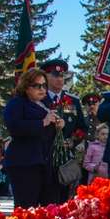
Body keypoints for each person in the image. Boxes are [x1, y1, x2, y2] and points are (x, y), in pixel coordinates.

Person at [1, 68, 64, 208]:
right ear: (26, 87)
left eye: (44, 85)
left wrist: (58, 126)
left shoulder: (45, 106)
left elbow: (47, 133)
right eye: (37, 86)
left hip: (46, 163)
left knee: (51, 207)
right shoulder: (17, 102)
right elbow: (13, 126)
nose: (42, 89)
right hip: (25, 161)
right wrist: (43, 122)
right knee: (27, 208)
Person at [40, 59, 86, 203]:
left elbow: (82, 128)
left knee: (63, 201)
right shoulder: (39, 99)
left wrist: (73, 141)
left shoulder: (73, 101)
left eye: (61, 76)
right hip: (43, 156)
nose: (59, 79)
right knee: (45, 201)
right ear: (45, 77)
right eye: (55, 75)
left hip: (64, 160)